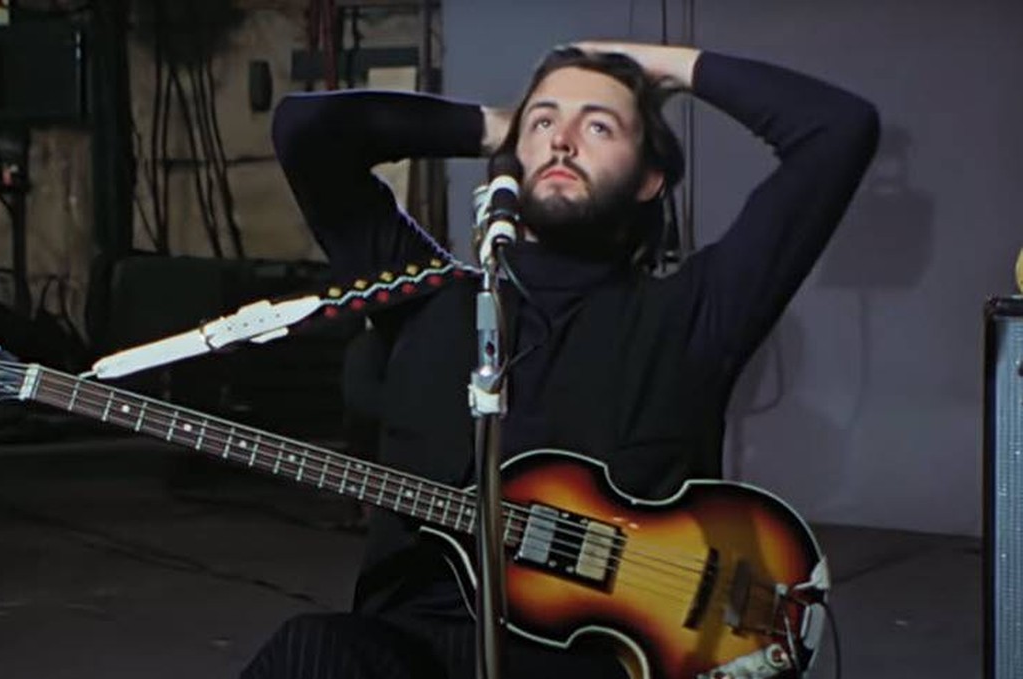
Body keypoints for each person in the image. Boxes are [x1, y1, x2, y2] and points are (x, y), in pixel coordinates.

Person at [242, 40, 879, 679]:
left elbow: (837, 130)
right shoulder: (425, 298)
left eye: (599, 127)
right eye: (545, 122)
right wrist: (498, 127)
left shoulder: (690, 317)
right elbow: (308, 129)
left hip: (599, 661)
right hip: (411, 647)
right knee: (312, 648)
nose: (563, 142)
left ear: (650, 178)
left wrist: (663, 66)